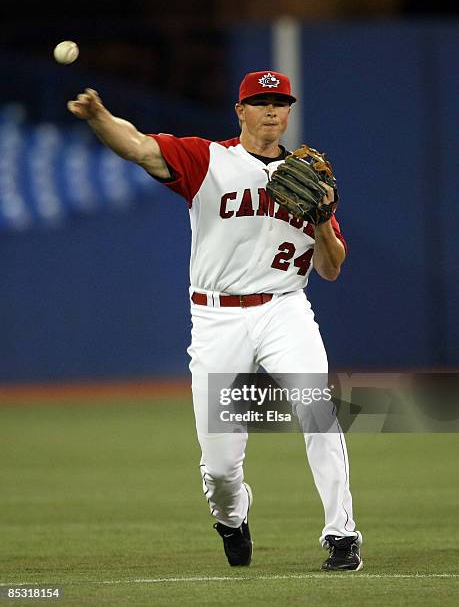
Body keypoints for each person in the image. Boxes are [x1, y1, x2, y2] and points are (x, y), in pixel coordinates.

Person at [68, 70, 363, 571]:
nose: (272, 110)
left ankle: (342, 534)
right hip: (217, 315)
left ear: (289, 112)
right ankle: (231, 516)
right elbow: (139, 147)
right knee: (222, 466)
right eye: (260, 102)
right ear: (240, 110)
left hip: (284, 308)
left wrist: (320, 217)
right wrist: (98, 117)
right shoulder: (208, 159)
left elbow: (331, 268)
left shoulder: (310, 178)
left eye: (280, 102)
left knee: (319, 412)